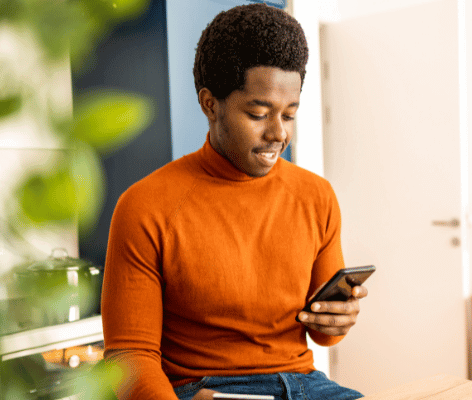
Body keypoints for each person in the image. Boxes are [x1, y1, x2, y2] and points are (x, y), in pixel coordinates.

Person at [101, 4, 368, 400]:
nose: (279, 134)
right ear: (210, 104)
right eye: (259, 113)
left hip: (305, 384)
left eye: (289, 114)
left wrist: (336, 321)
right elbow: (129, 355)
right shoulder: (145, 206)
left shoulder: (316, 196)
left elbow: (322, 336)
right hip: (206, 390)